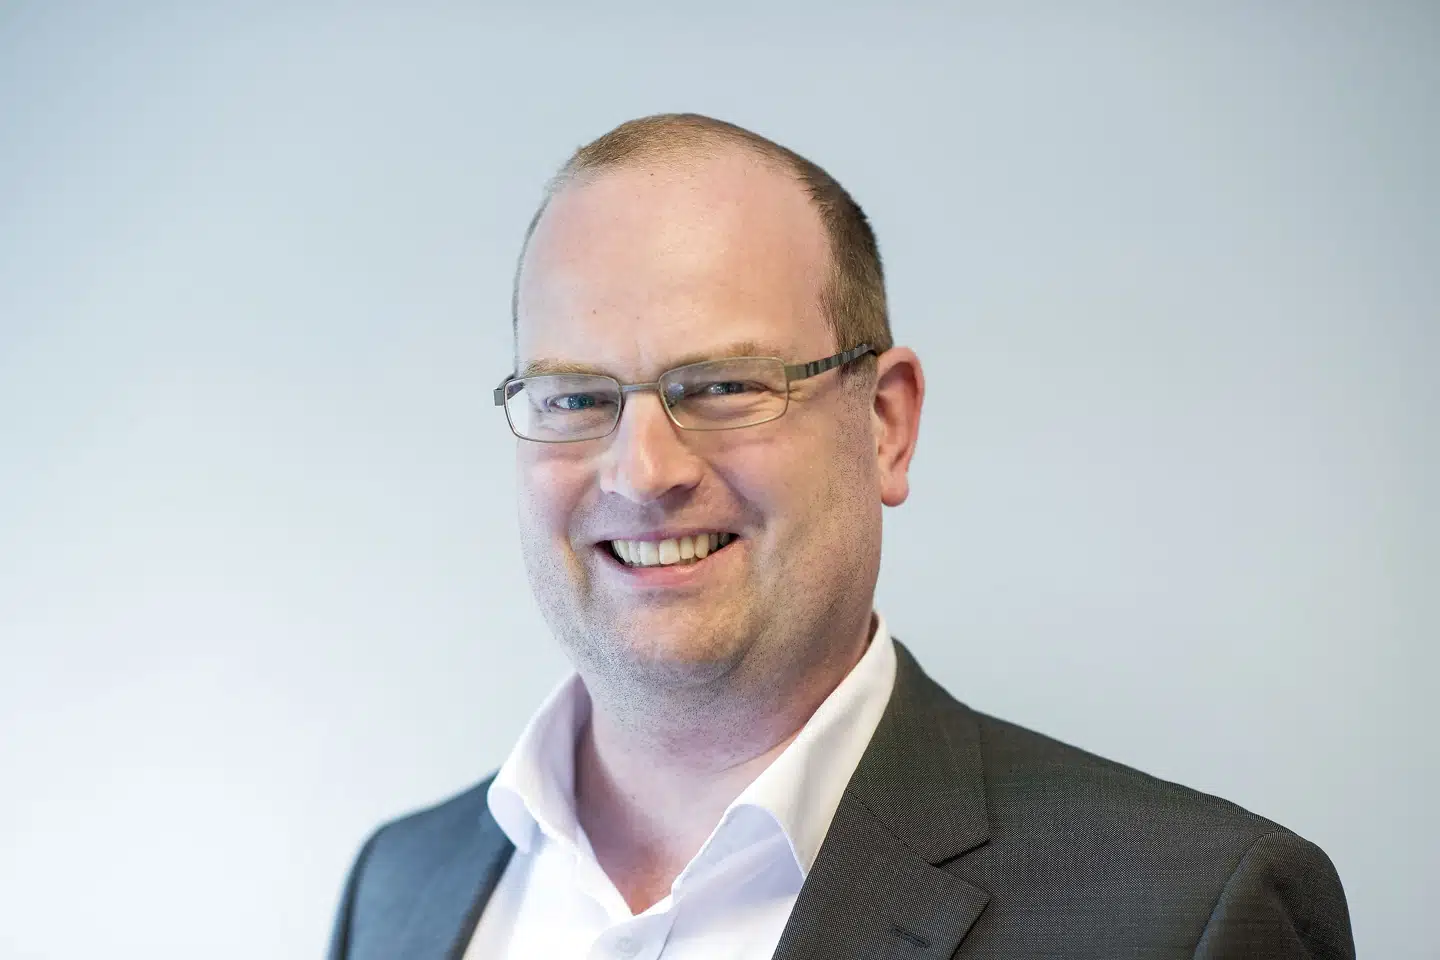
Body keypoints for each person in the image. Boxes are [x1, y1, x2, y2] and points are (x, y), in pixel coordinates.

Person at [326, 113, 1354, 959]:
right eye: (577, 397)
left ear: (886, 425)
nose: (643, 471)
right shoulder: (400, 888)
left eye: (724, 386)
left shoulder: (1186, 915)